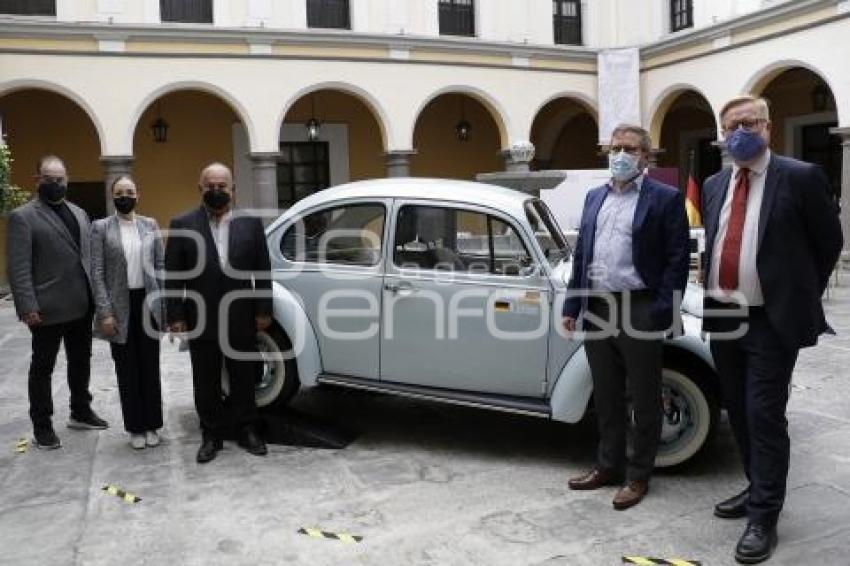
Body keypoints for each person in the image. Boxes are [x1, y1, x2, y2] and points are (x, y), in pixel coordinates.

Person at [702, 95, 843, 564]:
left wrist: (798, 294)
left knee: (764, 413)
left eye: (748, 122)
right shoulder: (714, 182)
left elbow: (829, 242)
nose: (739, 131)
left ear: (767, 126)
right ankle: (755, 486)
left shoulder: (800, 177)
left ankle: (764, 515)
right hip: (725, 312)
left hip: (770, 318)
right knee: (738, 411)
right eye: (730, 125)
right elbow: (717, 241)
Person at [563, 124, 690, 510]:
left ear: (645, 157)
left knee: (645, 397)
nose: (620, 154)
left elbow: (677, 260)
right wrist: (573, 305)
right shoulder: (592, 198)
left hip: (639, 306)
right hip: (598, 306)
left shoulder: (665, 198)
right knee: (606, 395)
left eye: (629, 149)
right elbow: (582, 254)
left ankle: (638, 477)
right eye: (615, 147)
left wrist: (659, 311)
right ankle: (608, 466)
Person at [164, 162, 272, 464]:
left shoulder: (250, 224)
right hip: (201, 316)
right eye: (210, 186)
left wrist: (264, 309)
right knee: (206, 379)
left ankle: (247, 429)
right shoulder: (182, 223)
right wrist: (175, 316)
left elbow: (263, 270)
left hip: (242, 314)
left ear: (232, 189)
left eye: (222, 186)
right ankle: (211, 433)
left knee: (244, 375)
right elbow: (173, 275)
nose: (216, 191)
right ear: (200, 189)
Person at [6, 155, 108, 449]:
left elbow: (86, 257)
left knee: (81, 361)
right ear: (37, 180)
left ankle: (81, 410)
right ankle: (42, 425)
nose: (55, 184)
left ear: (67, 180)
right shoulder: (23, 217)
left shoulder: (78, 212)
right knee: (42, 368)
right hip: (46, 309)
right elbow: (18, 267)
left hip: (80, 304)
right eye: (49, 179)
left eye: (60, 179)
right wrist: (27, 306)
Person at [91, 175, 164, 450]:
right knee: (127, 369)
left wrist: (164, 308)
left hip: (148, 304)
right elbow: (96, 273)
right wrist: (105, 312)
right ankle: (135, 427)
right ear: (113, 196)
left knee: (150, 367)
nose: (125, 196)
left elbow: (160, 266)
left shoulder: (150, 225)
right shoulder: (100, 228)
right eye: (120, 192)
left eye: (130, 191)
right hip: (118, 307)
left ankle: (153, 424)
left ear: (138, 195)